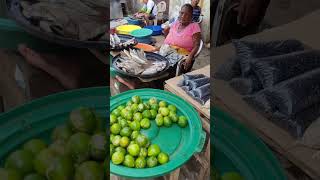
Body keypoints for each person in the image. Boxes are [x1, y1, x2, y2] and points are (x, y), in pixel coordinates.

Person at [163, 3, 201, 72]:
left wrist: (190, 56)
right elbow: (167, 31)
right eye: (181, 13)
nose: (183, 16)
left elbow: (197, 45)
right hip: (167, 51)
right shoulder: (176, 22)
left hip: (181, 56)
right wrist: (167, 41)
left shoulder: (194, 26)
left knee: (163, 67)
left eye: (187, 14)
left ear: (191, 16)